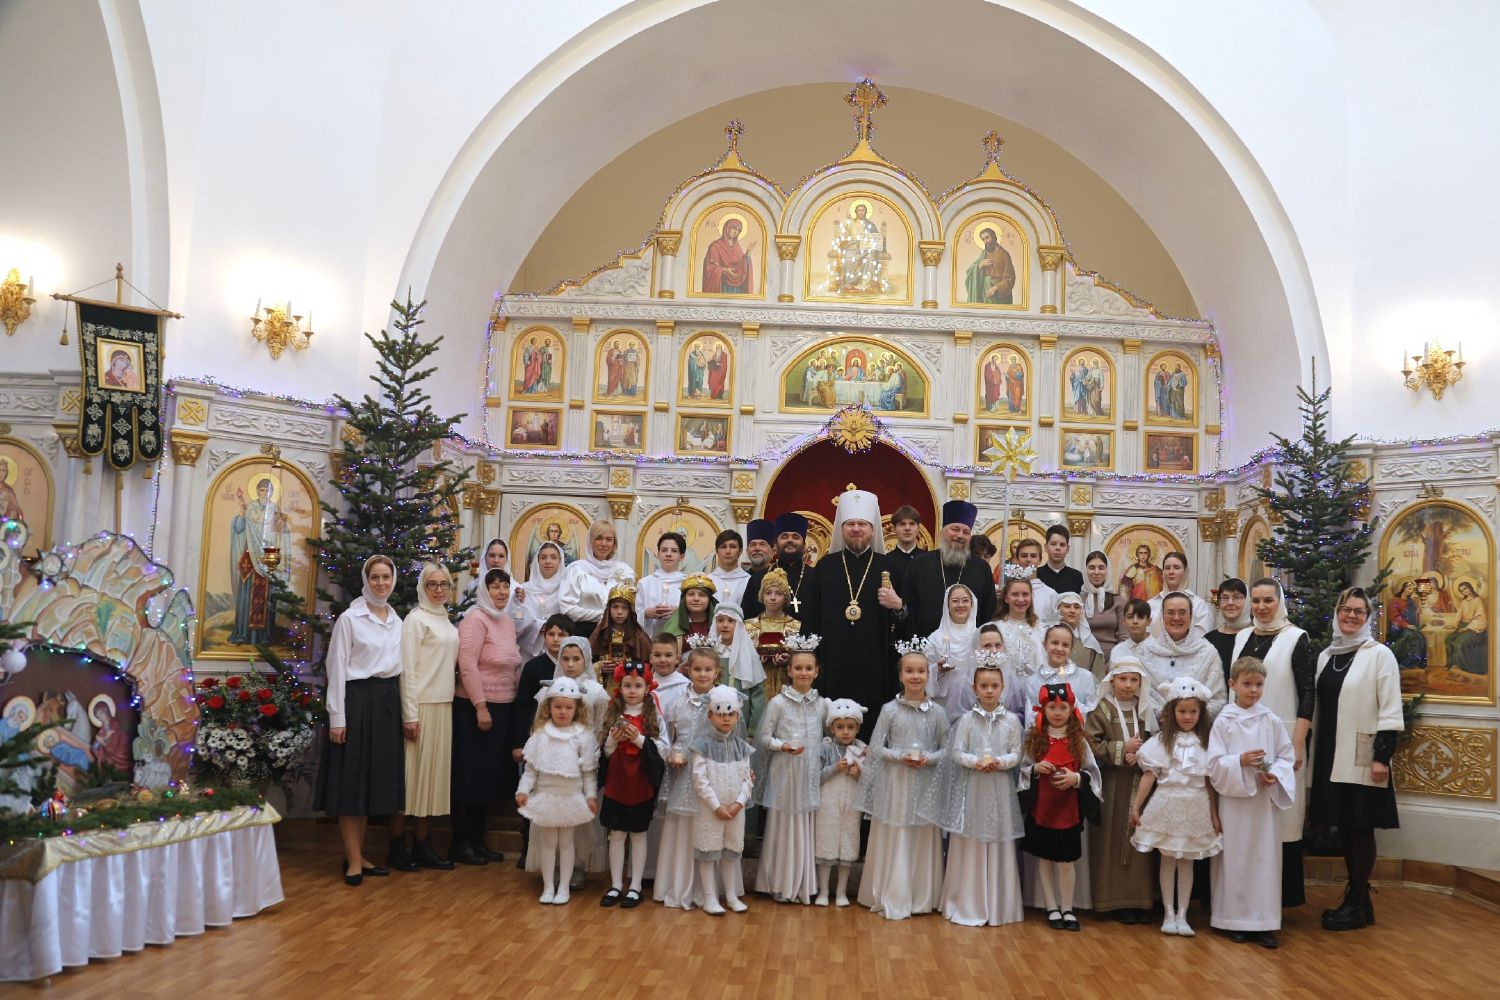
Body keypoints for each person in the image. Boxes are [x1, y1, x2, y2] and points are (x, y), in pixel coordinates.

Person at [1311, 587, 1404, 932]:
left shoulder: (1379, 655)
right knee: (1345, 827)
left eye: (1358, 611)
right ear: (1337, 613)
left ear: (1367, 617)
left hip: (1364, 754)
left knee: (1361, 827)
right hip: (1330, 754)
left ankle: (1355, 901)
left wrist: (1382, 757)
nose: (1351, 616)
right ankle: (1361, 905)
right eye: (1346, 609)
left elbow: (1390, 709)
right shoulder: (1327, 656)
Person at [316, 555, 404, 885]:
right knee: (351, 783)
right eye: (375, 577)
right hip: (356, 701)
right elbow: (336, 667)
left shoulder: (397, 620)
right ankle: (352, 861)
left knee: (369, 783)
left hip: (386, 703)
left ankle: (360, 854)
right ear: (366, 580)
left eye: (386, 577)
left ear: (393, 580)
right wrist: (337, 718)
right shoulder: (350, 619)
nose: (381, 583)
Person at [802, 489, 912, 740]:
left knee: (872, 731)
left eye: (862, 524)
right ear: (841, 529)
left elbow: (904, 622)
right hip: (832, 661)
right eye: (850, 524)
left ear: (873, 530)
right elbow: (812, 616)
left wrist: (898, 606)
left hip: (875, 663)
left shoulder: (890, 567)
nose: (856, 529)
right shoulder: (825, 567)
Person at [1231, 578, 1313, 907]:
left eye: (1268, 600)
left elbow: (1307, 692)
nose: (1262, 607)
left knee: (1281, 821)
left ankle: (1279, 900)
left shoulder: (1296, 638)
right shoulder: (1242, 637)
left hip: (1283, 742)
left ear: (1280, 602)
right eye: (1256, 601)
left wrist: (1298, 742)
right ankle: (1245, 898)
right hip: (1242, 741)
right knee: (1247, 818)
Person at [1208, 657, 1295, 948]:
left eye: (1259, 684)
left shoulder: (1270, 720)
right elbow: (1214, 764)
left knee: (1264, 860)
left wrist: (1274, 774)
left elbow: (1286, 757)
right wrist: (1240, 762)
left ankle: (1264, 922)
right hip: (1234, 804)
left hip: (1263, 805)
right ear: (1232, 684)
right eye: (1247, 684)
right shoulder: (1224, 721)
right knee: (1235, 859)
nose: (1254, 690)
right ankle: (1233, 920)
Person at [857, 647, 949, 920]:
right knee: (896, 833)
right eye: (909, 671)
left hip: (924, 784)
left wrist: (929, 758)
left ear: (928, 674)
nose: (915, 676)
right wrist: (900, 756)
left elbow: (948, 749)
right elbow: (875, 747)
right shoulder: (889, 710)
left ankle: (920, 896)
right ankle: (893, 894)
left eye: (921, 671)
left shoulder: (937, 713)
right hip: (895, 784)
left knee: (920, 833)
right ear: (900, 676)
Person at [932, 659, 1025, 926]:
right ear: (975, 688)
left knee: (998, 838)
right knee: (971, 838)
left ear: (1002, 687)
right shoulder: (966, 721)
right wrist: (975, 762)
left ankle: (999, 906)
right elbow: (956, 752)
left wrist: (999, 762)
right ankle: (967, 901)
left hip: (999, 789)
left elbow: (1017, 754)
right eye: (984, 686)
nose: (989, 691)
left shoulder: (1011, 722)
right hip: (972, 788)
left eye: (994, 685)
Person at [1131, 676, 1223, 937]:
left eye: (1193, 712)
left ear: (1201, 713)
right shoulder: (1161, 741)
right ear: (1172, 711)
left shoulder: (1206, 743)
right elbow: (1149, 776)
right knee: (1168, 860)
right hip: (1167, 805)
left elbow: (1209, 783)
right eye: (1182, 711)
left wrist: (1215, 815)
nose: (1187, 716)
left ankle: (1183, 914)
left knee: (1187, 862)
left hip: (1195, 807)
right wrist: (1136, 807)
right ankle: (1168, 913)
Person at [390, 564, 460, 872]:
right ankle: (396, 845)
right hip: (420, 706)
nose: (439, 589)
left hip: (443, 704)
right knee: (410, 780)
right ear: (423, 586)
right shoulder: (415, 620)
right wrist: (410, 715)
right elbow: (407, 670)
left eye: (444, 584)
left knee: (431, 781)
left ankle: (422, 843)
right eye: (433, 584)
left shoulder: (444, 618)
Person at [451, 567, 522, 866]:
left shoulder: (506, 621)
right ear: (484, 590)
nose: (502, 592)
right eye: (495, 587)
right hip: (475, 709)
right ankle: (460, 843)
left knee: (488, 778)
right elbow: (467, 665)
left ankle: (477, 841)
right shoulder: (474, 620)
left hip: (502, 707)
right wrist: (480, 706)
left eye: (505, 586)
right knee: (470, 777)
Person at [1018, 682, 1101, 932]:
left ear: (1071, 710)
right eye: (1052, 708)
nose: (1057, 712)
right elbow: (1024, 769)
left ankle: (1067, 908)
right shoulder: (1036, 739)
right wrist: (1035, 769)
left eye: (1063, 708)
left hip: (1068, 812)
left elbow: (1092, 772)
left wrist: (1076, 778)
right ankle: (1051, 907)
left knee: (1066, 862)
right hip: (1042, 811)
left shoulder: (1079, 741)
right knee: (1045, 859)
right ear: (1043, 710)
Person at [654, 643, 730, 909]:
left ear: (717, 672)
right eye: (697, 669)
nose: (702, 674)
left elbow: (730, 737)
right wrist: (673, 754)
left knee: (707, 826)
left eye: (708, 670)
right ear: (688, 670)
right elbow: (669, 738)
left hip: (713, 772)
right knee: (683, 828)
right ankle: (678, 886)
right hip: (683, 773)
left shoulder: (724, 702)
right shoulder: (677, 704)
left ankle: (706, 890)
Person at [516, 677, 598, 905]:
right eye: (558, 707)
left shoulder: (582, 736)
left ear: (576, 709)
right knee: (548, 842)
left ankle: (564, 887)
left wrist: (591, 796)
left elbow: (588, 772)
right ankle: (548, 887)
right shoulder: (540, 735)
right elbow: (530, 770)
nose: (563, 712)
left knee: (567, 842)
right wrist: (523, 791)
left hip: (570, 797)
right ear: (549, 707)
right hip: (547, 796)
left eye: (568, 707)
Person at [1086, 660, 1157, 923]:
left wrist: (1141, 756)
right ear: (1112, 680)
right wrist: (1121, 749)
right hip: (1112, 783)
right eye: (1123, 679)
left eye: (1134, 680)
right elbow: (1090, 742)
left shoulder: (1145, 710)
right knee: (1112, 840)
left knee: (1139, 839)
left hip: (1141, 784)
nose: (1128, 685)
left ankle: (1139, 900)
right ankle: (1110, 900)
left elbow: (1157, 741)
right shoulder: (1102, 709)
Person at [753, 643, 825, 904]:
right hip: (784, 774)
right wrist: (782, 746)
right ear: (790, 671)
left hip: (808, 775)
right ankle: (780, 884)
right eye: (798, 668)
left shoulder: (821, 705)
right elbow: (763, 738)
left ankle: (803, 884)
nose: (803, 673)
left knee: (804, 827)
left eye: (808, 668)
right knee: (783, 828)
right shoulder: (778, 703)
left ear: (816, 671)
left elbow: (830, 736)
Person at [597, 662, 667, 909]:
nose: (632, 690)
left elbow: (663, 749)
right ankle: (616, 884)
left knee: (638, 834)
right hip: (617, 784)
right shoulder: (612, 712)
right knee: (616, 834)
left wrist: (638, 739)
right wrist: (611, 742)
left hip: (641, 785)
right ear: (620, 686)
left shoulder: (653, 714)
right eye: (627, 685)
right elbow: (603, 753)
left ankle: (635, 886)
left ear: (647, 687)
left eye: (638, 685)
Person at [510, 612, 572, 869]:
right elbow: (522, 706)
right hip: (538, 741)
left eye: (561, 635)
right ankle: (528, 848)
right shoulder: (534, 667)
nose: (555, 639)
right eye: (551, 634)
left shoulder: (573, 666)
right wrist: (518, 743)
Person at [692, 685, 755, 915]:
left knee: (731, 851)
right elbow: (699, 780)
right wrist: (716, 806)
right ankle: (710, 898)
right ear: (710, 715)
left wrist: (739, 803)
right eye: (720, 714)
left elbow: (748, 779)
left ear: (737, 715)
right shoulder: (702, 745)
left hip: (736, 810)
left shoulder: (741, 747)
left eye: (731, 713)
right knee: (708, 851)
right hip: (710, 810)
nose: (726, 718)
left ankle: (730, 896)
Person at [904, 500, 997, 636]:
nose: (960, 535)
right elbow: (910, 608)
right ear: (943, 532)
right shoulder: (919, 564)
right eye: (955, 529)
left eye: (966, 532)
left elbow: (988, 612)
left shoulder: (981, 568)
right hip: (927, 643)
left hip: (970, 644)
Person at [1137, 592, 1228, 719]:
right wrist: (1158, 715)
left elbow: (1218, 699)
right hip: (1152, 728)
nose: (1176, 618)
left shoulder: (1207, 652)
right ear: (1162, 617)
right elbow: (1138, 695)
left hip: (1197, 728)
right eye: (1170, 612)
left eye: (1182, 612)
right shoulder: (1144, 651)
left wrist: (1190, 716)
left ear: (1191, 616)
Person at [814, 692, 866, 907]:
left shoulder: (862, 750)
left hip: (851, 806)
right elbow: (815, 777)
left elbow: (871, 781)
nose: (845, 731)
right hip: (828, 805)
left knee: (848, 845)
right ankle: (823, 891)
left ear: (857, 728)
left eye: (850, 727)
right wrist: (835, 768)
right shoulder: (825, 748)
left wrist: (859, 774)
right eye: (840, 727)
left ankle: (842, 891)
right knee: (825, 844)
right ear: (831, 728)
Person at [559, 520, 636, 636]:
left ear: (614, 543)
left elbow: (630, 607)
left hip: (617, 634)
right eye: (599, 538)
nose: (604, 544)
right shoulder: (576, 570)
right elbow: (567, 608)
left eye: (609, 539)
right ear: (590, 541)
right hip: (583, 633)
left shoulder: (624, 571)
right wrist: (603, 615)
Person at [925, 584, 980, 723]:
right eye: (955, 601)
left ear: (972, 604)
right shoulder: (934, 639)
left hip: (974, 706)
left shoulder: (981, 637)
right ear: (947, 605)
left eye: (965, 600)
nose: (960, 605)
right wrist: (937, 670)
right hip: (943, 707)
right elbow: (924, 673)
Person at [744, 567, 801, 700]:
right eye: (768, 593)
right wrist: (754, 661)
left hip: (786, 685)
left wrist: (789, 660)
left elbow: (800, 660)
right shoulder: (750, 625)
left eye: (778, 593)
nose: (773, 598)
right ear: (762, 596)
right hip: (757, 685)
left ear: (785, 597)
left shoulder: (793, 625)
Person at [741, 512, 811, 620]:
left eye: (796, 537)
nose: (790, 540)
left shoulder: (816, 576)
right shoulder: (758, 579)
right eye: (784, 536)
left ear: (804, 545)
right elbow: (747, 619)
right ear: (776, 544)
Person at [713, 602, 767, 735]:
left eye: (731, 621)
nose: (725, 625)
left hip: (740, 725)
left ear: (738, 625)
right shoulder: (710, 653)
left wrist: (752, 730)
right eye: (720, 620)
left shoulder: (748, 655)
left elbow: (757, 695)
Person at [590, 583, 653, 680]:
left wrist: (629, 666)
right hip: (605, 684)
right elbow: (586, 663)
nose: (619, 611)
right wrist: (600, 667)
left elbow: (649, 666)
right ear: (608, 609)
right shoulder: (599, 633)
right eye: (615, 607)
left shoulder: (639, 636)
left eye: (624, 608)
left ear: (630, 611)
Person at [996, 571, 1046, 692]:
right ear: (1006, 598)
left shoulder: (1042, 630)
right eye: (1015, 594)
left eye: (1025, 594)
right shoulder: (995, 629)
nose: (1020, 599)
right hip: (1002, 692)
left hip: (1034, 692)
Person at [1147, 552, 1213, 639]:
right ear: (1163, 572)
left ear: (1185, 572)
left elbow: (1202, 636)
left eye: (1176, 567)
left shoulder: (1199, 605)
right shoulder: (1151, 604)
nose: (1171, 572)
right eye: (1167, 568)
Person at [636, 532, 687, 640]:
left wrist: (678, 612)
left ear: (682, 556)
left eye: (674, 551)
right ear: (658, 554)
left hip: (679, 640)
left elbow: (696, 615)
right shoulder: (644, 583)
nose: (668, 554)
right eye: (664, 550)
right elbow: (635, 614)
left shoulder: (687, 584)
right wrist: (646, 613)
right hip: (650, 640)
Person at [1082, 551, 1126, 660]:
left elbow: (1124, 638)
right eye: (1092, 568)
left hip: (1113, 658)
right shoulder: (1077, 601)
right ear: (1085, 570)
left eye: (1101, 568)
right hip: (1082, 659)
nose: (1096, 572)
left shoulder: (1119, 601)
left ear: (1108, 570)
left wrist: (1114, 662)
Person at [1205, 578, 1251, 683]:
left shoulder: (1257, 637)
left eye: (1236, 597)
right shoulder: (1208, 640)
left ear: (1247, 601)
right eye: (1224, 598)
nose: (1230, 603)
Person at [1055, 593, 1104, 677]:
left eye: (1077, 607)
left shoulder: (1090, 643)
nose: (1072, 611)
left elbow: (1098, 676)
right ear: (1057, 609)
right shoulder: (1046, 637)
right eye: (1067, 606)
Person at [1010, 539, 1058, 623]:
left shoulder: (1050, 594)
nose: (1028, 560)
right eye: (1024, 556)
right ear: (1017, 559)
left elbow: (1053, 624)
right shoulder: (1008, 591)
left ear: (1040, 560)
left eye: (1033, 556)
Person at [702, 217, 753, 294]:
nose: (736, 232)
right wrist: (725, 270)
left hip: (738, 288)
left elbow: (742, 263)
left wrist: (748, 252)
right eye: (734, 228)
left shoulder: (737, 247)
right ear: (727, 228)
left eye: (738, 230)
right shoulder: (715, 247)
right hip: (722, 286)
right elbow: (709, 268)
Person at [709, 528, 751, 607]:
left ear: (740, 551)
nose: (728, 551)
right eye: (723, 547)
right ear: (716, 551)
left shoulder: (749, 581)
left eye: (733, 547)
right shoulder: (709, 580)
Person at [1037, 525, 1084, 595]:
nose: (1058, 548)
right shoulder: (1037, 575)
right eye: (1053, 544)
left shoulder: (1077, 577)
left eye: (1062, 545)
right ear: (1046, 547)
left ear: (1067, 549)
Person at [1110, 598, 1152, 664]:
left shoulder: (1158, 649)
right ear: (1124, 621)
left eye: (1140, 617)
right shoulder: (1117, 651)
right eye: (1130, 617)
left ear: (1149, 621)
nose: (1135, 621)